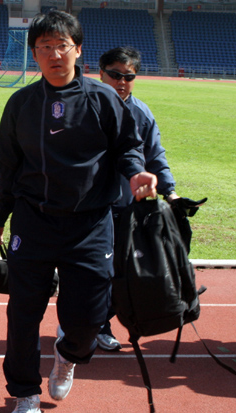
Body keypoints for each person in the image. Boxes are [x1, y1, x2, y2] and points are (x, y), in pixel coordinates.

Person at [0, 11, 157, 413]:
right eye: (44, 47)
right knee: (23, 313)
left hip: (91, 224)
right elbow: (6, 165)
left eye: (61, 45)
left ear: (78, 50)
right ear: (34, 54)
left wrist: (135, 173)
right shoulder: (21, 103)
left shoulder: (104, 98)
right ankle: (24, 392)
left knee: (87, 320)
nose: (53, 54)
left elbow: (127, 147)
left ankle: (68, 355)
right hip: (34, 220)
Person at [96, 46, 179, 351]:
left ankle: (100, 324)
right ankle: (80, 322)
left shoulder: (141, 113)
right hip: (88, 207)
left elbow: (155, 155)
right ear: (100, 72)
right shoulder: (85, 106)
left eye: (128, 76)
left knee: (123, 270)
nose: (121, 81)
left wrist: (170, 191)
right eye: (115, 75)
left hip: (126, 207)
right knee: (91, 269)